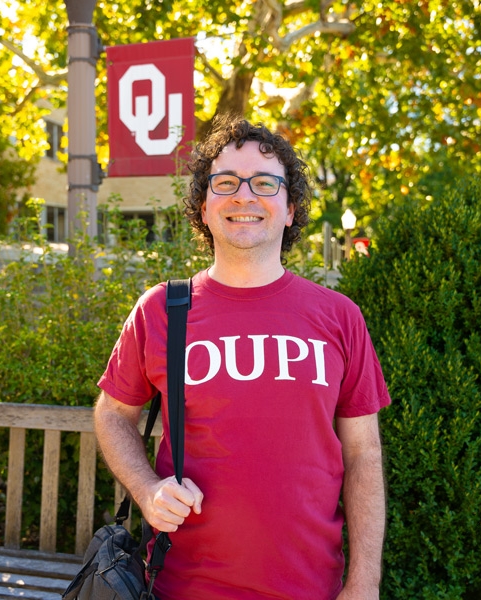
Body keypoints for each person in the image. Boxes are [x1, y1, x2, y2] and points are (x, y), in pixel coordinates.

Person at [94, 116, 391, 600]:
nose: (244, 195)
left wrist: (364, 582)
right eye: (226, 182)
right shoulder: (162, 310)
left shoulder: (339, 317)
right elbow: (112, 414)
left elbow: (364, 455)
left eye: (265, 183)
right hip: (180, 586)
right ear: (204, 209)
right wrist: (147, 490)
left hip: (311, 588)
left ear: (290, 209)